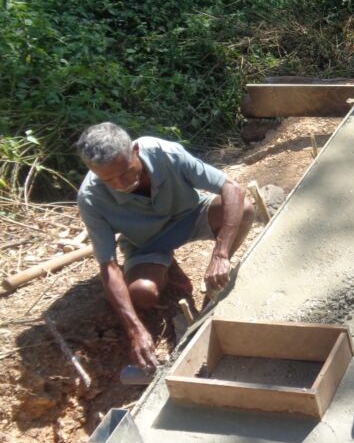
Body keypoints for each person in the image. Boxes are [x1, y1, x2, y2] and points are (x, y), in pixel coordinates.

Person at [75, 123, 255, 370]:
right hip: (147, 243)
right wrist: (135, 329)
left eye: (126, 172)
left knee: (244, 211)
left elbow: (232, 188)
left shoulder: (165, 153)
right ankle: (167, 266)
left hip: (191, 214)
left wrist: (221, 254)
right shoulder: (90, 198)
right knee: (142, 294)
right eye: (109, 180)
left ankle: (214, 281)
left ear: (135, 150)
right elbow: (108, 266)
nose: (120, 183)